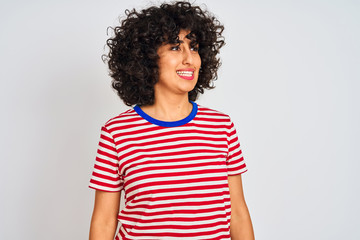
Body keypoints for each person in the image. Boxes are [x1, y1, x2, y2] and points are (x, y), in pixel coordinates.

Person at [89, 1, 254, 239]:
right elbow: (104, 222)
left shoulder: (221, 127)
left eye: (194, 47)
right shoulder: (117, 132)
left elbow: (238, 212)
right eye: (176, 48)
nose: (189, 58)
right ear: (147, 58)